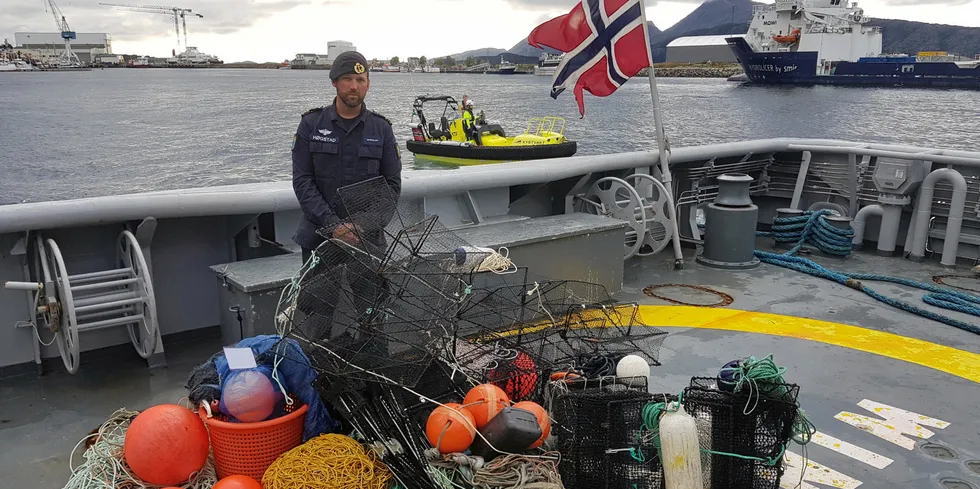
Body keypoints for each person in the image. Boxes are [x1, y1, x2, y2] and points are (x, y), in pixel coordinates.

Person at [291, 50, 402, 332]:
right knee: (318, 317)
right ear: (334, 83)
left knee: (372, 317)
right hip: (320, 239)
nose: (354, 86)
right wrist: (334, 226)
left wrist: (359, 225)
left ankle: (373, 373)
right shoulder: (310, 125)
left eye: (361, 79)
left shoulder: (382, 129)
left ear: (368, 84)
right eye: (348, 79)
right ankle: (317, 371)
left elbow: (391, 186)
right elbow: (303, 181)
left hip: (367, 242)